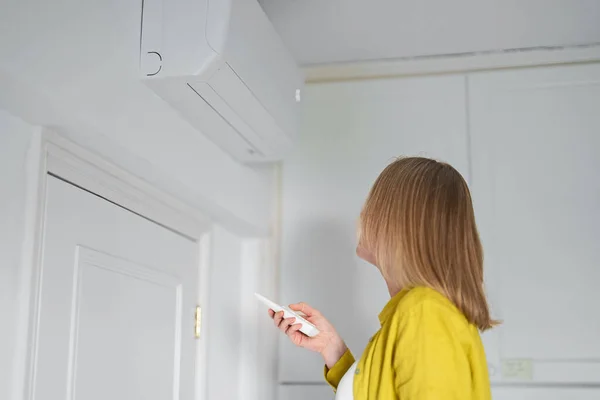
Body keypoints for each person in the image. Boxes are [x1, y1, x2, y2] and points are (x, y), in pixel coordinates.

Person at [269, 157, 496, 399]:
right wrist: (330, 346)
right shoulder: (420, 313)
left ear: (399, 222)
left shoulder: (424, 313)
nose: (362, 215)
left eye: (373, 204)